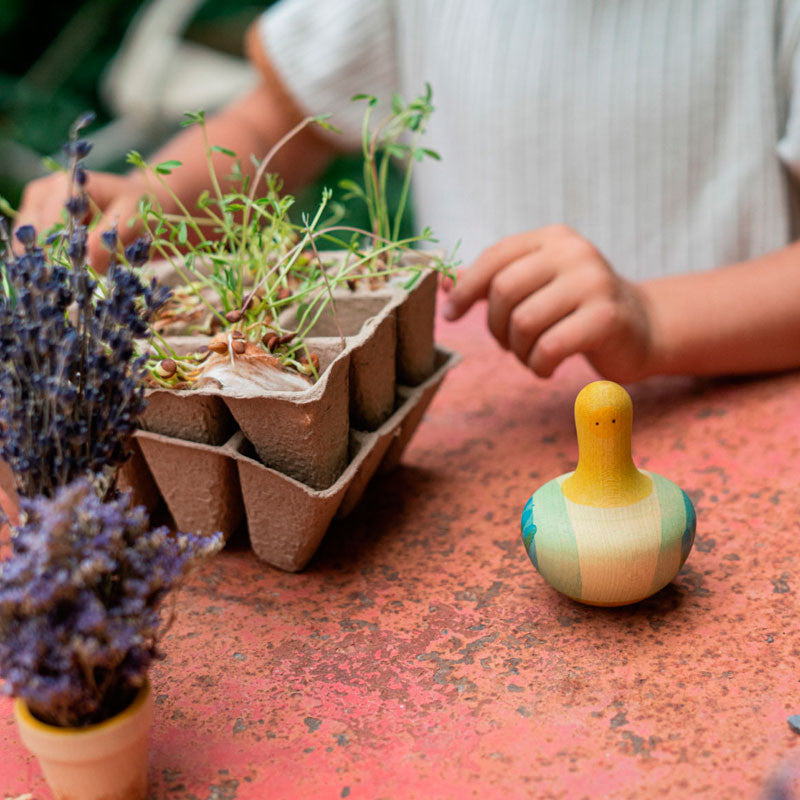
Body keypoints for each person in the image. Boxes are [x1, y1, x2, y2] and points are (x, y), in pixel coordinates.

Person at [15, 0, 800, 383]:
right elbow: (274, 125)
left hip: (726, 425)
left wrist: (656, 322)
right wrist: (138, 211)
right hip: (473, 439)